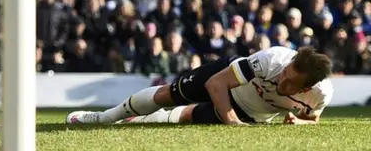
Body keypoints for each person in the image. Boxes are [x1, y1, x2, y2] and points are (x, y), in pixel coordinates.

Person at [67, 46, 332, 125]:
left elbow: (313, 119)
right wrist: (233, 123)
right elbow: (216, 84)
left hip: (252, 112)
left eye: (291, 82)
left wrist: (299, 123)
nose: (281, 80)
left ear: (306, 89)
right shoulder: (271, 60)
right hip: (226, 78)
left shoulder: (320, 95)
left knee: (188, 116)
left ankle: (137, 120)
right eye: (285, 73)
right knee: (170, 95)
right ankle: (105, 117)